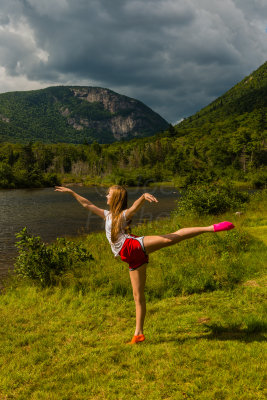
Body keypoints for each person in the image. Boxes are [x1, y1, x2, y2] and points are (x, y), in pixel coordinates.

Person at [55, 185, 235, 344]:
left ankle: (211, 228)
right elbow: (87, 204)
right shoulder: (107, 215)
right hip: (131, 258)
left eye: (108, 194)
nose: (106, 197)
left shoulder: (122, 215)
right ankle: (138, 334)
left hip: (132, 246)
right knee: (137, 296)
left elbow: (133, 208)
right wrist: (72, 192)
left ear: (115, 197)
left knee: (171, 237)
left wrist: (142, 197)